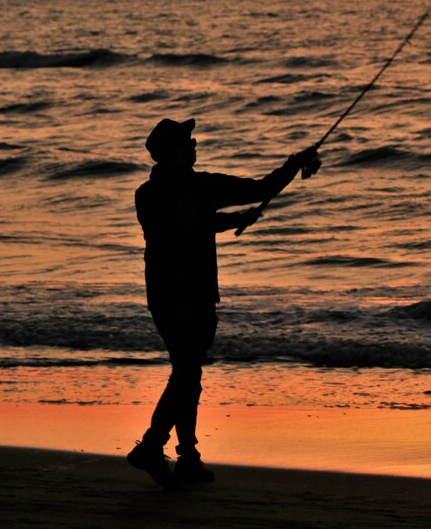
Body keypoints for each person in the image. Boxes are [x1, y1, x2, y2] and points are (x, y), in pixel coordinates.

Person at [127, 117, 319, 489]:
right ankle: (153, 447)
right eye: (188, 141)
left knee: (188, 374)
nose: (195, 144)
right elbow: (261, 188)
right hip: (192, 294)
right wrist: (294, 163)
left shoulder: (146, 193)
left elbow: (185, 224)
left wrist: (234, 219)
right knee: (187, 374)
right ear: (175, 152)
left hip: (163, 296)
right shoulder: (201, 187)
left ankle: (187, 458)